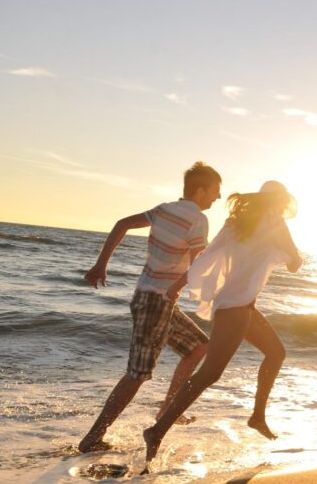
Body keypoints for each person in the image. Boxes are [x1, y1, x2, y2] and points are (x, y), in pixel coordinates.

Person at [142, 181, 303, 464]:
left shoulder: (237, 222)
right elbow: (295, 262)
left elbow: (208, 255)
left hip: (234, 304)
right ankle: (157, 430)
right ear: (278, 202)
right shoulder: (275, 223)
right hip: (236, 308)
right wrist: (288, 255)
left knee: (276, 352)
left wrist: (183, 283)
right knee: (210, 374)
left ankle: (257, 416)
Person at [78, 162, 221, 453]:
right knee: (138, 373)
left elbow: (122, 224)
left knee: (198, 348)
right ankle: (92, 439)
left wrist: (100, 264)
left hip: (153, 298)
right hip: (156, 300)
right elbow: (198, 266)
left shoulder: (163, 209)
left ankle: (168, 410)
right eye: (215, 192)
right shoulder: (197, 219)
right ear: (200, 189)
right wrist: (178, 287)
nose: (217, 198)